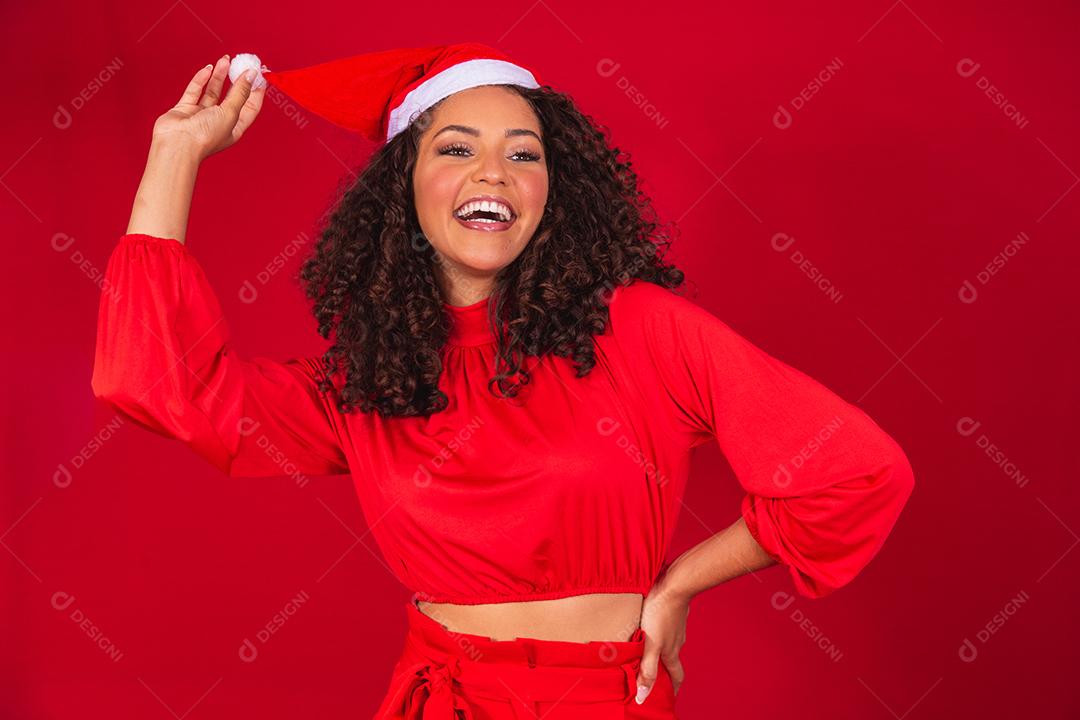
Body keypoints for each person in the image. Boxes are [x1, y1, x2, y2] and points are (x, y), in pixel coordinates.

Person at [90, 43, 916, 719]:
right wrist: (175, 153)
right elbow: (158, 384)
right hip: (439, 695)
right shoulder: (370, 378)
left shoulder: (642, 330)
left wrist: (677, 586)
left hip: (605, 700)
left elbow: (853, 474)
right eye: (456, 149)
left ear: (554, 191)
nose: (494, 172)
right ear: (401, 188)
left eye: (523, 154)